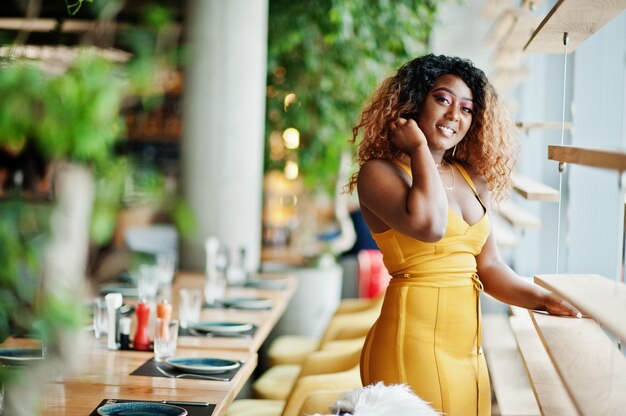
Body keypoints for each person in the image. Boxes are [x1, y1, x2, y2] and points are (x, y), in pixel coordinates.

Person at [347, 54, 580, 416]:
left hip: (468, 352)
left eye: (467, 109)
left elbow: (489, 268)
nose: (455, 115)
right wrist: (420, 149)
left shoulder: (473, 178)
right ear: (414, 101)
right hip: (410, 345)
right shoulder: (379, 173)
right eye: (442, 99)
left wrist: (542, 299)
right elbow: (430, 225)